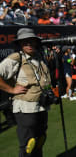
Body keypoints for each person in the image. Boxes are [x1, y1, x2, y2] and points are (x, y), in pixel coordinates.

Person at [0, 28, 52, 157]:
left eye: (31, 41)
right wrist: (11, 90)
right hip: (25, 108)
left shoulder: (39, 57)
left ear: (36, 42)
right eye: (25, 42)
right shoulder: (16, 58)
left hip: (41, 106)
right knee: (28, 145)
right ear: (20, 44)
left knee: (40, 141)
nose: (29, 44)